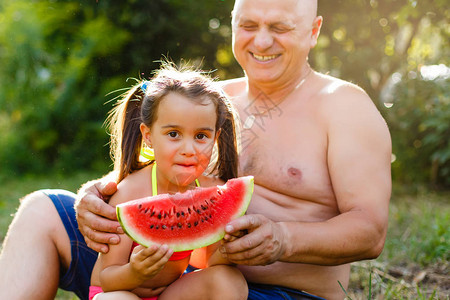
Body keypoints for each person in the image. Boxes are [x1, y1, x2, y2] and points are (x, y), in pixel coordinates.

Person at [0, 0, 392, 299]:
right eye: (249, 25)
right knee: (42, 209)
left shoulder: (344, 107)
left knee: (221, 283)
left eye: (280, 27)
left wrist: (283, 238)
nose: (262, 40)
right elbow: (153, 174)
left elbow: (370, 231)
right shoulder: (213, 102)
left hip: (273, 292)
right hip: (161, 273)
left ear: (313, 30)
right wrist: (96, 195)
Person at [87, 64, 247, 300]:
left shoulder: (213, 189)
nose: (189, 150)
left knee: (228, 279)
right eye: (173, 134)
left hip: (169, 293)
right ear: (148, 136)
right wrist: (135, 271)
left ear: (215, 138)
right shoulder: (129, 192)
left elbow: (204, 260)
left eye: (201, 136)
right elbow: (107, 279)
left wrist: (228, 248)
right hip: (120, 291)